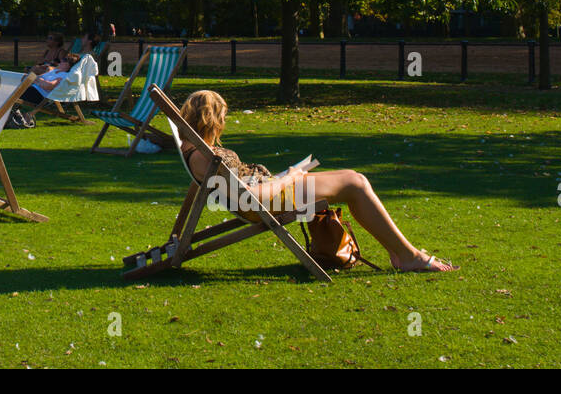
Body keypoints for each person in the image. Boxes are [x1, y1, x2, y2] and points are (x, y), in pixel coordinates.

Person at [177, 90, 458, 273]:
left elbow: (225, 188)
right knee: (355, 185)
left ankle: (402, 253)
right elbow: (252, 196)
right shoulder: (204, 156)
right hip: (266, 200)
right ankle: (407, 257)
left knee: (355, 179)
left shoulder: (195, 149)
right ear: (210, 118)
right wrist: (289, 177)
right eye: (223, 117)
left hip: (268, 194)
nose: (225, 123)